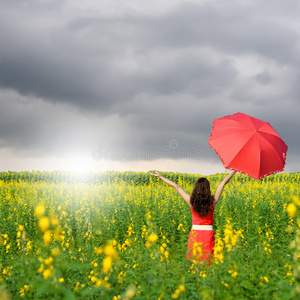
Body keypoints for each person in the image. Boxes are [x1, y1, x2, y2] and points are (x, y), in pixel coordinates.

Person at [149, 170, 236, 264]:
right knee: (208, 262)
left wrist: (160, 177)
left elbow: (176, 186)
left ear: (196, 188)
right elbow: (223, 183)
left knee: (195, 261)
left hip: (195, 234)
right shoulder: (212, 201)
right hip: (208, 234)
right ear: (208, 189)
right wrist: (234, 170)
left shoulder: (191, 201)